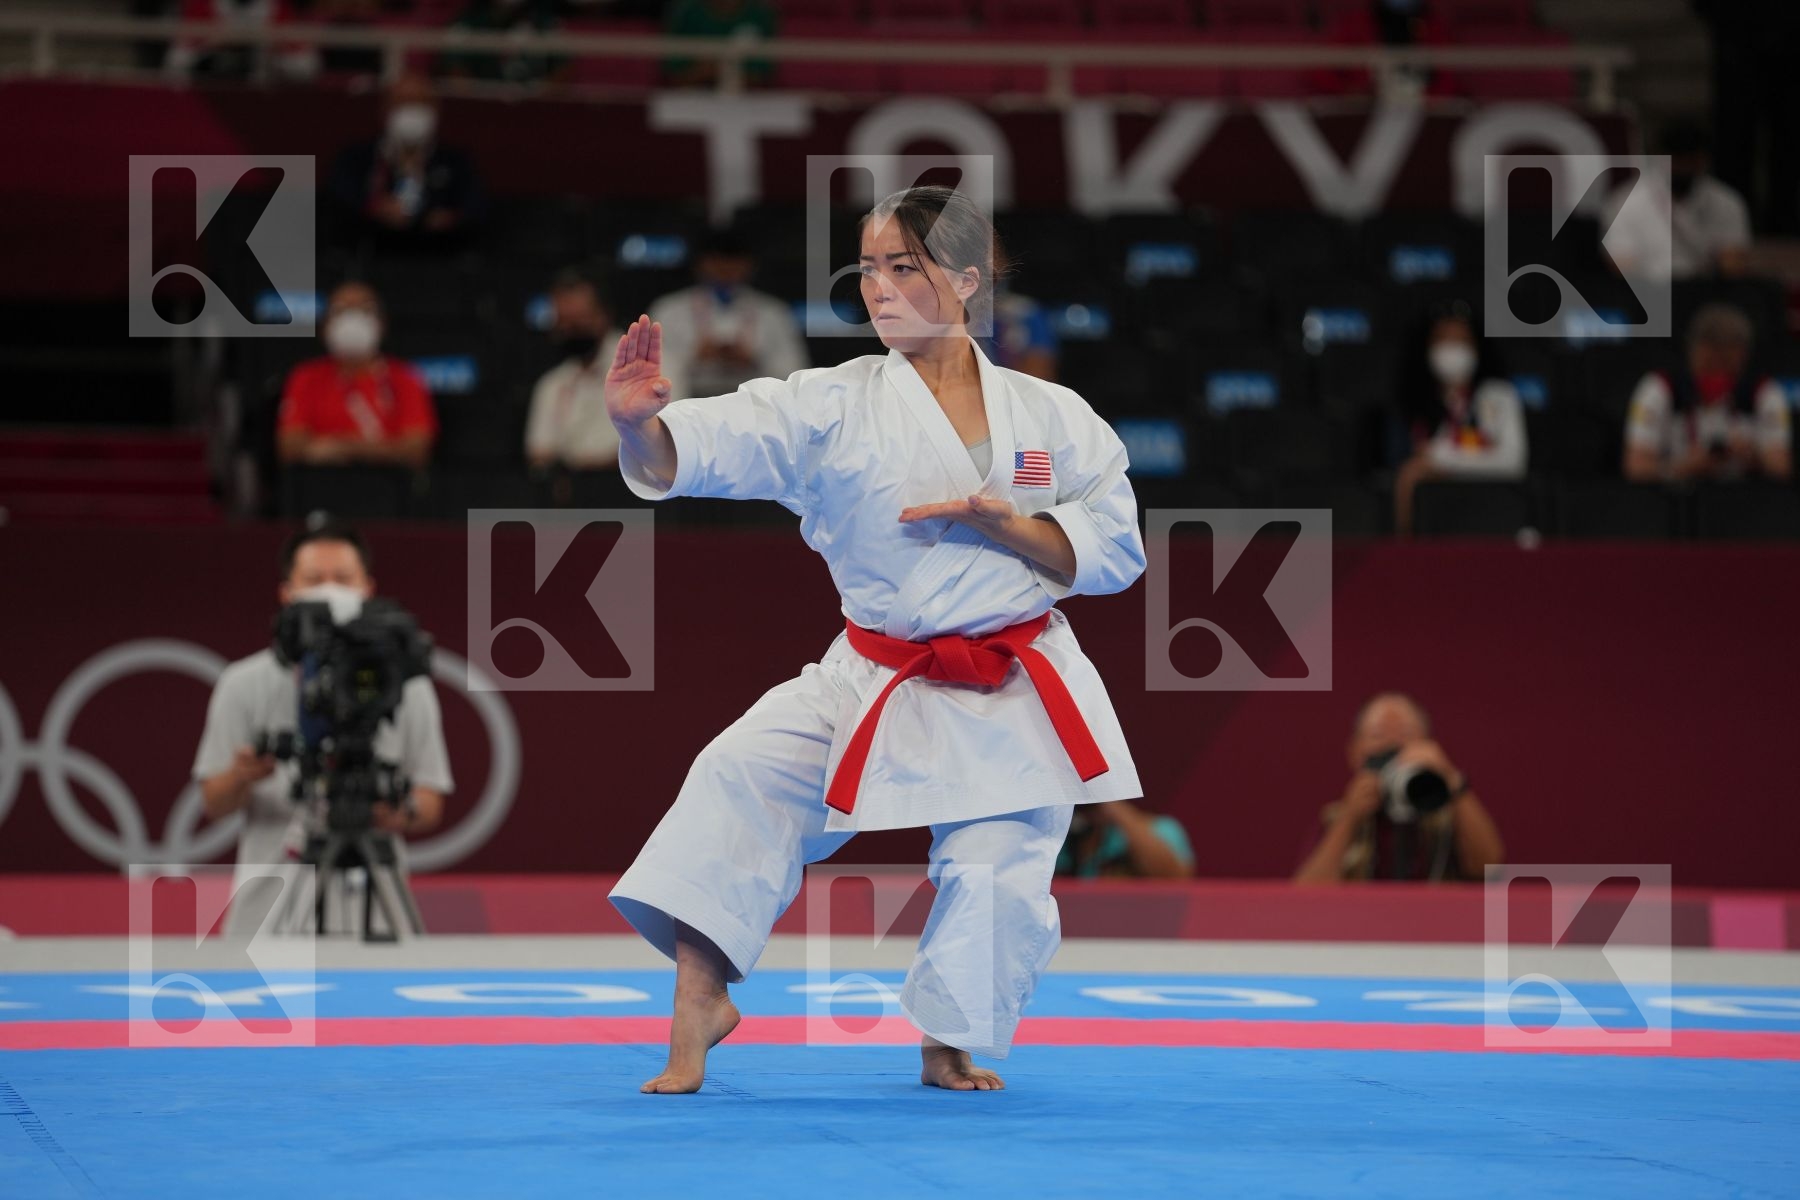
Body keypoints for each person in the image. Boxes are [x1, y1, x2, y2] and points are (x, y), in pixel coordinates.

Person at [606, 186, 1145, 1094]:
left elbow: (1119, 548)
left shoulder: (1054, 416)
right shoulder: (833, 403)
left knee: (1000, 867)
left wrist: (1008, 529)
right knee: (742, 772)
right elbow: (712, 444)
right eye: (868, 268)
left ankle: (951, 1040)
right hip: (874, 668)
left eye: (906, 266)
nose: (880, 288)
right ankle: (700, 997)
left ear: (967, 281)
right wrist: (641, 427)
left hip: (1013, 677)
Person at [192, 519, 452, 935]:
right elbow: (213, 801)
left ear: (368, 588)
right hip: (267, 916)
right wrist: (242, 776)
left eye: (343, 578)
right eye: (314, 579)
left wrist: (394, 811)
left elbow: (430, 802)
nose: (330, 589)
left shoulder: (403, 684)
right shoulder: (242, 683)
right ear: (287, 593)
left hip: (375, 917)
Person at [1295, 693, 1503, 885]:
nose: (1393, 745)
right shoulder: (1337, 816)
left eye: (1407, 734)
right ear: (1354, 752)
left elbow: (1491, 870)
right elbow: (1306, 894)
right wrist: (1349, 817)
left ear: (1429, 746)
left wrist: (1451, 780)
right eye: (1377, 736)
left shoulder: (1448, 813)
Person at [1391, 303, 1527, 535]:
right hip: (1437, 519)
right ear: (1427, 348)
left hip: (1491, 514)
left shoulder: (1499, 396)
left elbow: (1513, 461)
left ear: (1476, 348)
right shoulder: (1411, 405)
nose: (1452, 350)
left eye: (1461, 340)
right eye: (1443, 340)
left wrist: (1439, 459)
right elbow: (1405, 472)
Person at [277, 281, 438, 470]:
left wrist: (342, 448)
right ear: (324, 326)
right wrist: (387, 449)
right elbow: (289, 448)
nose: (352, 320)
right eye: (341, 311)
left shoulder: (406, 377)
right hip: (322, 488)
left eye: (364, 310)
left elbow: (417, 451)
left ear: (382, 323)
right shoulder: (306, 377)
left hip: (389, 490)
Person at [1623, 303, 1792, 483]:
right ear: (1693, 350)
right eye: (1711, 357)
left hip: (1743, 498)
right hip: (1675, 496)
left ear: (1743, 355)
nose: (1717, 367)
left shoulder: (1764, 392)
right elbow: (1636, 467)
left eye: (1726, 358)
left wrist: (1752, 458)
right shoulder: (1658, 388)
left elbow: (1781, 468)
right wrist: (1683, 467)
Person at [646, 228, 808, 403]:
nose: (725, 268)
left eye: (734, 261)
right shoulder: (669, 309)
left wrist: (754, 361)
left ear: (749, 265)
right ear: (700, 264)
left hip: (755, 405)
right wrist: (694, 357)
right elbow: (653, 374)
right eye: (717, 260)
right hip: (689, 403)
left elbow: (795, 374)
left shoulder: (774, 313)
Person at [327, 74, 487, 249]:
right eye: (403, 102)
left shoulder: (457, 162)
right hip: (372, 256)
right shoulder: (356, 157)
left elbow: (474, 210)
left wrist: (446, 218)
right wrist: (375, 208)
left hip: (438, 258)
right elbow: (338, 204)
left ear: (436, 110)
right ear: (385, 109)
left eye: (421, 102)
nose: (412, 110)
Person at [1602, 122, 1752, 282]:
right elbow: (1620, 264)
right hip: (1645, 292)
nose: (1683, 169)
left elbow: (1734, 263)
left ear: (1703, 160)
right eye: (1677, 162)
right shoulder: (1625, 201)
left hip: (1704, 291)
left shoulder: (1726, 202)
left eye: (1691, 162)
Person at [525, 271, 625, 470]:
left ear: (604, 315)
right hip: (571, 493)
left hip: (634, 490)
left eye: (579, 320)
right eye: (563, 321)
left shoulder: (650, 364)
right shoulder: (552, 383)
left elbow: (664, 447)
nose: (569, 329)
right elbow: (539, 455)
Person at [1055, 802, 1193, 879]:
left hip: (1146, 923)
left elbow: (1175, 880)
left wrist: (1112, 808)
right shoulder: (1074, 838)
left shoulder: (1162, 828)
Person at [662, 0, 778, 88]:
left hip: (753, 102)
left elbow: (766, 73)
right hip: (691, 97)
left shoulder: (760, 13)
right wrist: (704, 70)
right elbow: (674, 72)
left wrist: (724, 69)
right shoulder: (686, 12)